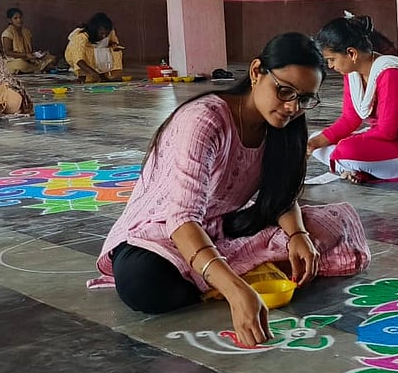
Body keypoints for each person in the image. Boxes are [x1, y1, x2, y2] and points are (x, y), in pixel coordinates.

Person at [88, 33, 371, 347]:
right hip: (162, 232)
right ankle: (233, 275)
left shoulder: (283, 125)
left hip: (223, 226)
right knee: (144, 284)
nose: (292, 107)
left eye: (304, 99)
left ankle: (220, 273)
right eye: (284, 91)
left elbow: (281, 194)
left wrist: (297, 235)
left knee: (327, 232)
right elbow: (182, 220)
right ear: (255, 72)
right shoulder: (205, 122)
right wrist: (236, 292)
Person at [307, 15, 398, 184]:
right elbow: (349, 119)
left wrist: (345, 144)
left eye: (332, 60)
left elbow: (387, 132)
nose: (331, 66)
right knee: (317, 139)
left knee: (346, 149)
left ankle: (350, 165)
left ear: (351, 53)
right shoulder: (352, 74)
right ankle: (351, 166)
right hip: (379, 143)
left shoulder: (391, 73)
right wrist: (314, 143)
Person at [66, 12, 124, 82]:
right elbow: (78, 60)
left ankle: (104, 73)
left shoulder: (110, 31)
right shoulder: (81, 37)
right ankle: (82, 76)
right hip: (82, 59)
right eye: (101, 33)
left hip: (97, 54)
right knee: (90, 78)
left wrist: (114, 45)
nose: (104, 36)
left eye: (106, 34)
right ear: (94, 30)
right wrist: (94, 73)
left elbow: (114, 43)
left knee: (116, 51)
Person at [1, 7, 56, 74]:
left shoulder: (26, 32)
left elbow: (31, 49)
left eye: (20, 17)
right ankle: (39, 68)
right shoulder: (7, 33)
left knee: (51, 58)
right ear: (10, 20)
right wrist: (25, 55)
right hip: (14, 60)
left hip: (29, 59)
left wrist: (38, 54)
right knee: (20, 64)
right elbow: (8, 52)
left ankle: (36, 68)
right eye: (15, 18)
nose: (19, 20)